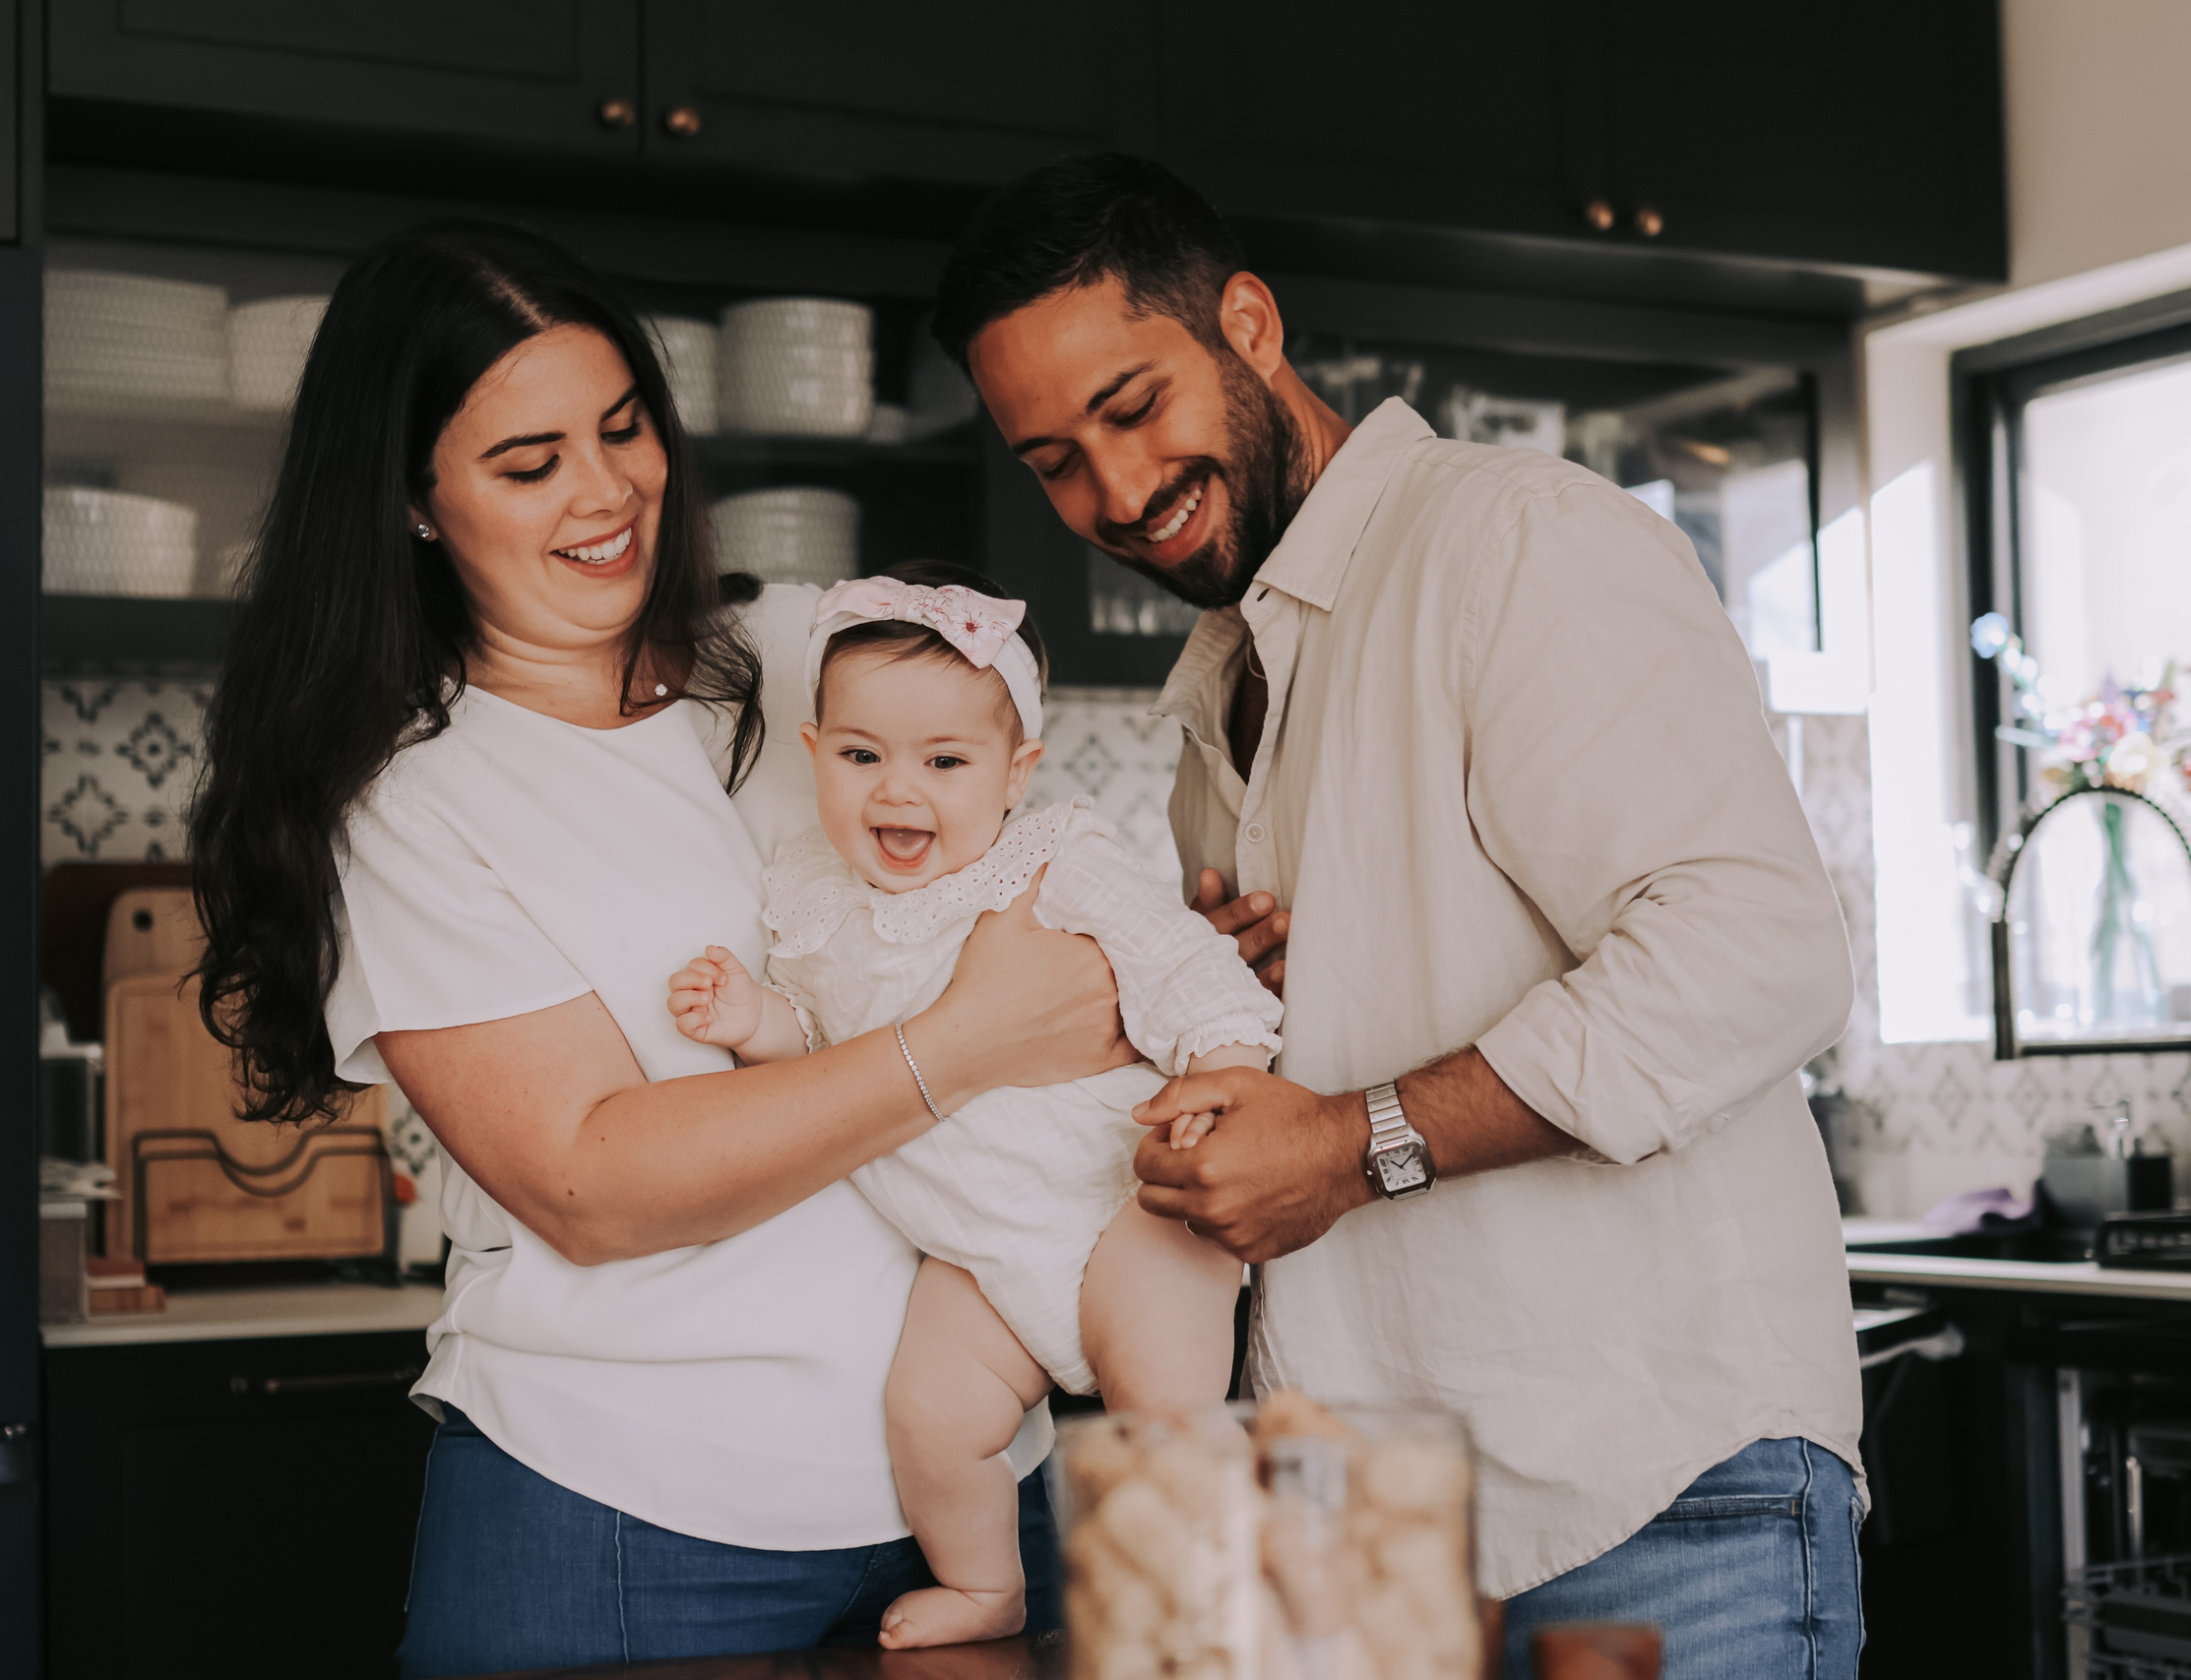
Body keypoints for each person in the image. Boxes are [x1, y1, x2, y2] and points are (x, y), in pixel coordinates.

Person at [184, 220, 1279, 1676]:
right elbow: (592, 1181)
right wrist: (963, 1038)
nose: (605, 492)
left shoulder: (801, 651)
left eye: (624, 429)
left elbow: (1021, 848)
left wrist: (1168, 960)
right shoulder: (420, 794)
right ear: (415, 504)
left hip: (972, 1487)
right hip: (632, 1523)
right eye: (529, 464)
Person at [933, 156, 1867, 1679]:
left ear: (1248, 322)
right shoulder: (1221, 692)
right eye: (1052, 460)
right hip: (1347, 1505)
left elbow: (1757, 949)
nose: (1113, 494)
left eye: (1131, 405)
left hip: (1652, 1483)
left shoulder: (1516, 543)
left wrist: (1351, 1138)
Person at [668, 561, 1282, 1649]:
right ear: (814, 755)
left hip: (1123, 1202)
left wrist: (1223, 1075)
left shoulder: (1052, 859)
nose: (897, 791)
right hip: (974, 1254)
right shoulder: (808, 891)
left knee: (1164, 1416)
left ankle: (1204, 1612)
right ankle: (987, 1584)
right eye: (860, 757)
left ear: (1014, 772)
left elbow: (1183, 967)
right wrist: (752, 1019)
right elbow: (822, 1060)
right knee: (931, 1418)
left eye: (944, 761)